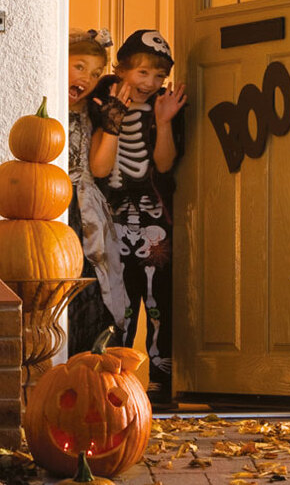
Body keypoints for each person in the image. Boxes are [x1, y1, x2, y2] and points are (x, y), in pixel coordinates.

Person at [90, 29, 186, 404]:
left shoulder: (164, 106)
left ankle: (161, 373)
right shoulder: (102, 100)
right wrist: (113, 116)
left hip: (152, 214)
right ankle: (117, 373)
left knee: (158, 293)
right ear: (122, 69)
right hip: (111, 213)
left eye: (159, 76)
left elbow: (163, 165)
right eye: (142, 73)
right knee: (119, 295)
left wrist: (163, 122)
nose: (150, 83)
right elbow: (99, 167)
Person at [66, 29, 128, 354]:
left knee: (92, 286)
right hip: (53, 207)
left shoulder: (91, 113)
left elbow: (100, 169)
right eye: (78, 67)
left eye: (94, 74)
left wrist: (111, 125)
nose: (86, 79)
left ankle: (87, 361)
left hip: (85, 210)